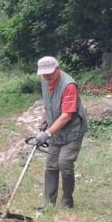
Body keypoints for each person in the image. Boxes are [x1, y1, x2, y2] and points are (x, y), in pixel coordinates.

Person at [33, 56, 87, 208]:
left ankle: (67, 200)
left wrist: (47, 133)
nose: (46, 77)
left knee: (64, 162)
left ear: (57, 69)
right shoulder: (44, 80)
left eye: (49, 73)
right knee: (51, 164)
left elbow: (66, 116)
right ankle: (48, 202)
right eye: (44, 74)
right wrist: (45, 120)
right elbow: (48, 103)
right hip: (56, 129)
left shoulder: (69, 85)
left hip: (72, 130)